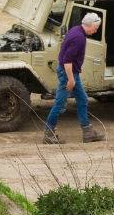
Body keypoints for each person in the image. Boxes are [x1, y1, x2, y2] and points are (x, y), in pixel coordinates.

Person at [44, 12, 106, 144]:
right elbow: (67, 61)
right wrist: (71, 79)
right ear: (89, 25)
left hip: (71, 73)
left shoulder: (76, 30)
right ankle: (48, 134)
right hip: (68, 73)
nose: (96, 30)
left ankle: (88, 133)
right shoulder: (78, 38)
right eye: (96, 27)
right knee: (59, 103)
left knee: (82, 99)